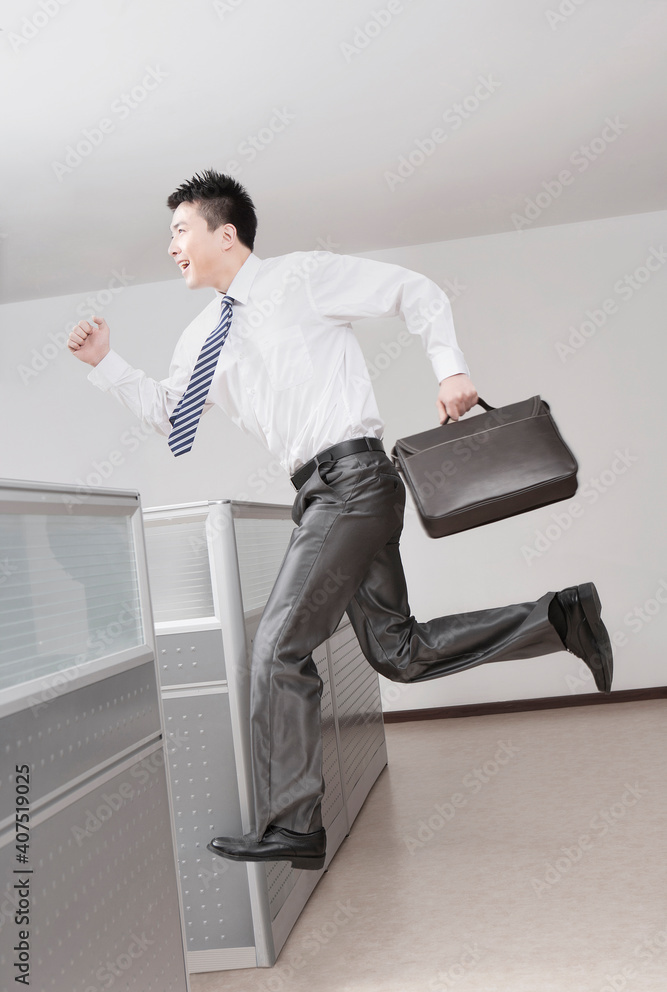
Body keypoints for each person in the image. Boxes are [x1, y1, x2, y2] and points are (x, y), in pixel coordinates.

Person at [68, 170, 613, 872]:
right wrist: (104, 363)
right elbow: (173, 418)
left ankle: (292, 823)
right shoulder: (203, 333)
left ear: (223, 232)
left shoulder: (301, 279)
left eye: (180, 229)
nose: (171, 244)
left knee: (275, 647)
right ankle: (560, 617)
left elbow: (414, 292)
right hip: (321, 494)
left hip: (352, 479)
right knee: (398, 653)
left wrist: (449, 370)